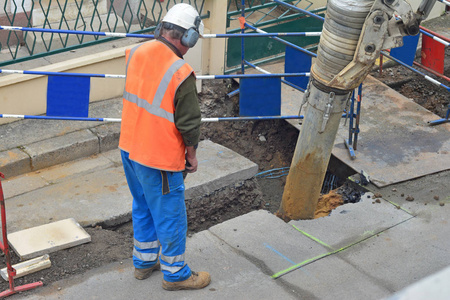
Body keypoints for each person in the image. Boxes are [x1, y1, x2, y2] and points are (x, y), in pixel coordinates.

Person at [119, 3, 210, 291]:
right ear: (188, 38)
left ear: (162, 28)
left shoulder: (136, 52)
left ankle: (144, 262)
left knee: (143, 204)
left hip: (129, 147)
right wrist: (192, 155)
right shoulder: (180, 71)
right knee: (170, 212)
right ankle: (176, 274)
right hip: (157, 157)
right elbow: (189, 123)